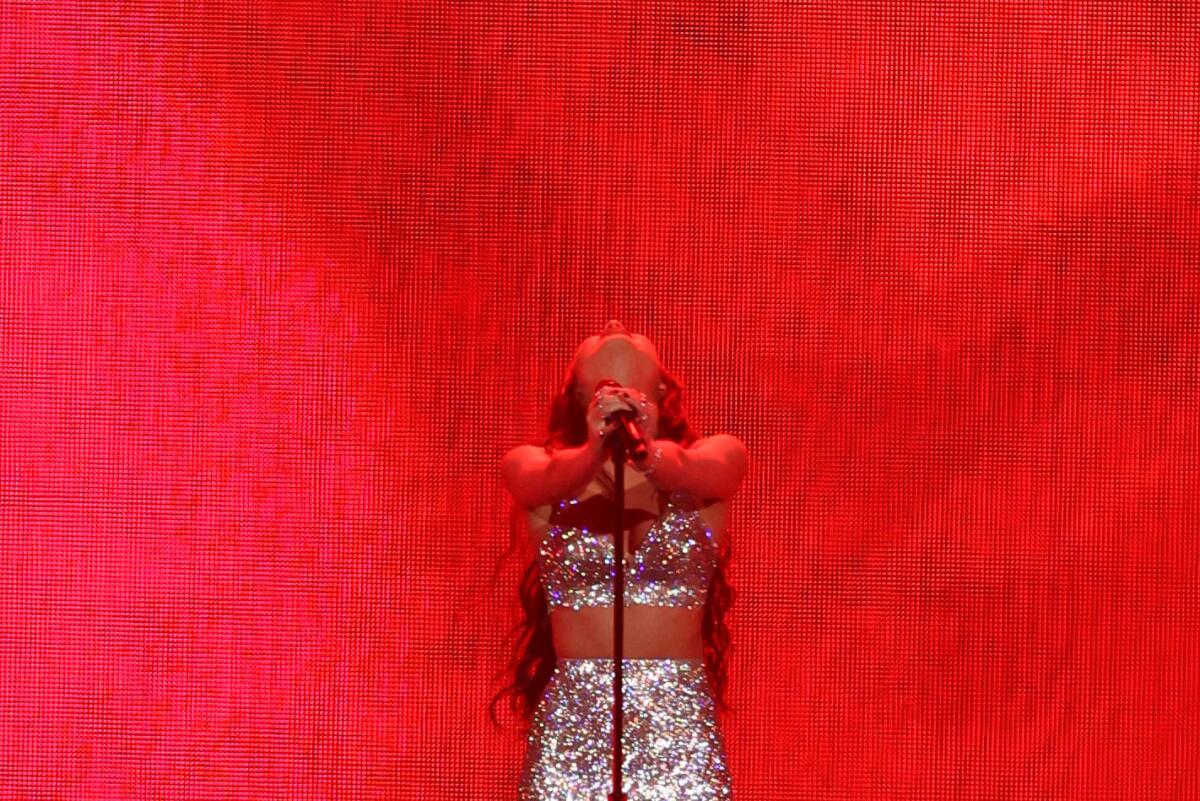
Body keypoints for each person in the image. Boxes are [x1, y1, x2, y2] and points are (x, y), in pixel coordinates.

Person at [492, 318, 749, 800]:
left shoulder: (719, 454)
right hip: (577, 720)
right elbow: (541, 483)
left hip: (676, 724)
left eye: (631, 331)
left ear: (663, 386)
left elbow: (695, 471)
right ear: (575, 395)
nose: (614, 324)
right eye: (593, 335)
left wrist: (647, 453)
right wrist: (594, 449)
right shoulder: (533, 464)